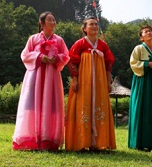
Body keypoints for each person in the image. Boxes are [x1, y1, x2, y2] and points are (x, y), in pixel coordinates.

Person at [12, 11, 70, 151]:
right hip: (35, 77)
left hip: (52, 77)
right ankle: (31, 139)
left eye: (54, 20)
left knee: (51, 107)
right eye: (50, 20)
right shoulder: (33, 39)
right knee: (33, 105)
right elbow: (25, 55)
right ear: (42, 23)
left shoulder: (59, 40)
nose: (53, 22)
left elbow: (66, 55)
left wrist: (56, 58)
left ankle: (48, 140)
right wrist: (39, 57)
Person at [65, 17, 116, 151]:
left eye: (96, 24)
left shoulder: (103, 45)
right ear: (84, 29)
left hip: (99, 82)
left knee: (100, 106)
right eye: (91, 24)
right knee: (83, 106)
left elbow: (108, 64)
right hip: (84, 81)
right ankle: (82, 142)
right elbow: (71, 62)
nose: (94, 26)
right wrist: (75, 80)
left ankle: (98, 143)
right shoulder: (80, 44)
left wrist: (108, 81)